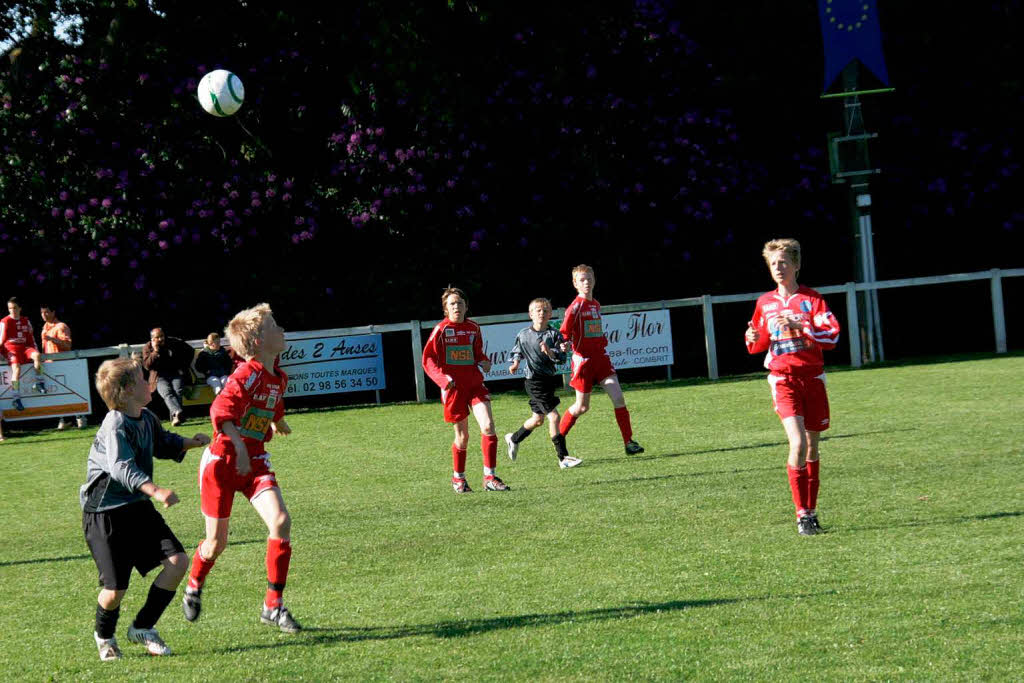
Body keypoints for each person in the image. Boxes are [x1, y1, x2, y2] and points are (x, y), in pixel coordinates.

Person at [183, 303, 302, 633]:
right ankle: (194, 584)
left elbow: (271, 402)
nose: (282, 330)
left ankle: (272, 606)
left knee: (280, 521)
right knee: (215, 545)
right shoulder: (245, 375)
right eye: (275, 326)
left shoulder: (277, 377)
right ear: (259, 341)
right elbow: (220, 411)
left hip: (254, 461)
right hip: (221, 464)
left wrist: (277, 421)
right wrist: (238, 445)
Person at [80, 357, 210, 660]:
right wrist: (156, 490)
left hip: (137, 507)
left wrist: (189, 442)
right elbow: (121, 467)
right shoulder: (115, 424)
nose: (149, 380)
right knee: (115, 591)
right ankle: (105, 636)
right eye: (142, 377)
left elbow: (162, 441)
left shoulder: (146, 416)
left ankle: (143, 627)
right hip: (105, 513)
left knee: (177, 562)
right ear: (126, 390)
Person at [744, 238, 841, 536]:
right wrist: (751, 336)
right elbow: (758, 344)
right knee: (797, 443)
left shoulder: (813, 300)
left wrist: (802, 326)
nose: (778, 268)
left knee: (813, 447)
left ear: (797, 265)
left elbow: (832, 338)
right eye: (773, 263)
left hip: (812, 380)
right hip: (783, 380)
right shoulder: (765, 303)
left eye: (784, 262)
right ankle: (801, 516)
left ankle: (811, 512)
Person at [421, 287, 509, 493]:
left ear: (466, 306)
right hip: (454, 389)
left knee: (488, 426)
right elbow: (428, 359)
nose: (456, 307)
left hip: (475, 385)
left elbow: (477, 353)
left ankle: (490, 477)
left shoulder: (473, 328)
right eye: (452, 304)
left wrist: (484, 361)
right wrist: (442, 379)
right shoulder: (441, 330)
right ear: (446, 309)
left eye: (459, 303)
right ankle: (458, 478)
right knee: (463, 437)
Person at [557, 265, 644, 455]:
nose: (586, 282)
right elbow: (564, 332)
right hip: (584, 362)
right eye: (582, 280)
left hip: (601, 359)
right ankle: (559, 437)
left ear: (594, 280)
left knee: (618, 397)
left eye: (589, 279)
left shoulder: (595, 304)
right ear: (575, 284)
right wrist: (563, 343)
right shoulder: (575, 307)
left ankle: (629, 442)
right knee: (582, 407)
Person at [505, 298, 582, 469]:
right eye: (538, 310)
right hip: (533, 381)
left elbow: (561, 359)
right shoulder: (523, 334)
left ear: (550, 315)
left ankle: (513, 438)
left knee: (537, 419)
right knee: (554, 417)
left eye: (545, 310)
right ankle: (563, 458)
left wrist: (551, 352)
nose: (542, 313)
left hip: (548, 380)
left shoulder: (554, 335)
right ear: (530, 314)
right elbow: (516, 351)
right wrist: (515, 363)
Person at [40, 304, 86, 429]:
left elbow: (67, 345)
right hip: (50, 366)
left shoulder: (61, 326)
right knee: (58, 395)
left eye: (46, 312)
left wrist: (51, 339)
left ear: (53, 312)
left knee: (73, 392)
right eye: (42, 313)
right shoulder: (45, 328)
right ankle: (63, 420)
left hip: (64, 365)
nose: (44, 315)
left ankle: (80, 418)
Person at [1, 296, 47, 412]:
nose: (12, 310)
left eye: (15, 308)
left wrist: (34, 349)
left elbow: (31, 340)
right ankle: (16, 397)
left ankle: (39, 382)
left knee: (37, 356)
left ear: (20, 308)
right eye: (10, 308)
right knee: (16, 369)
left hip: (24, 348)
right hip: (10, 348)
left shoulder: (26, 321)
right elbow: (1, 340)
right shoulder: (4, 321)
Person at [142, 328, 195, 426]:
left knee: (178, 391)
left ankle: (176, 417)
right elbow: (147, 366)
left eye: (162, 336)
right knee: (166, 393)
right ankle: (178, 412)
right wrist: (155, 352)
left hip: (175, 373)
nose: (160, 339)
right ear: (152, 339)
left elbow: (190, 351)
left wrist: (182, 366)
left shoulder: (173, 342)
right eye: (157, 337)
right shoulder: (148, 347)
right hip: (159, 376)